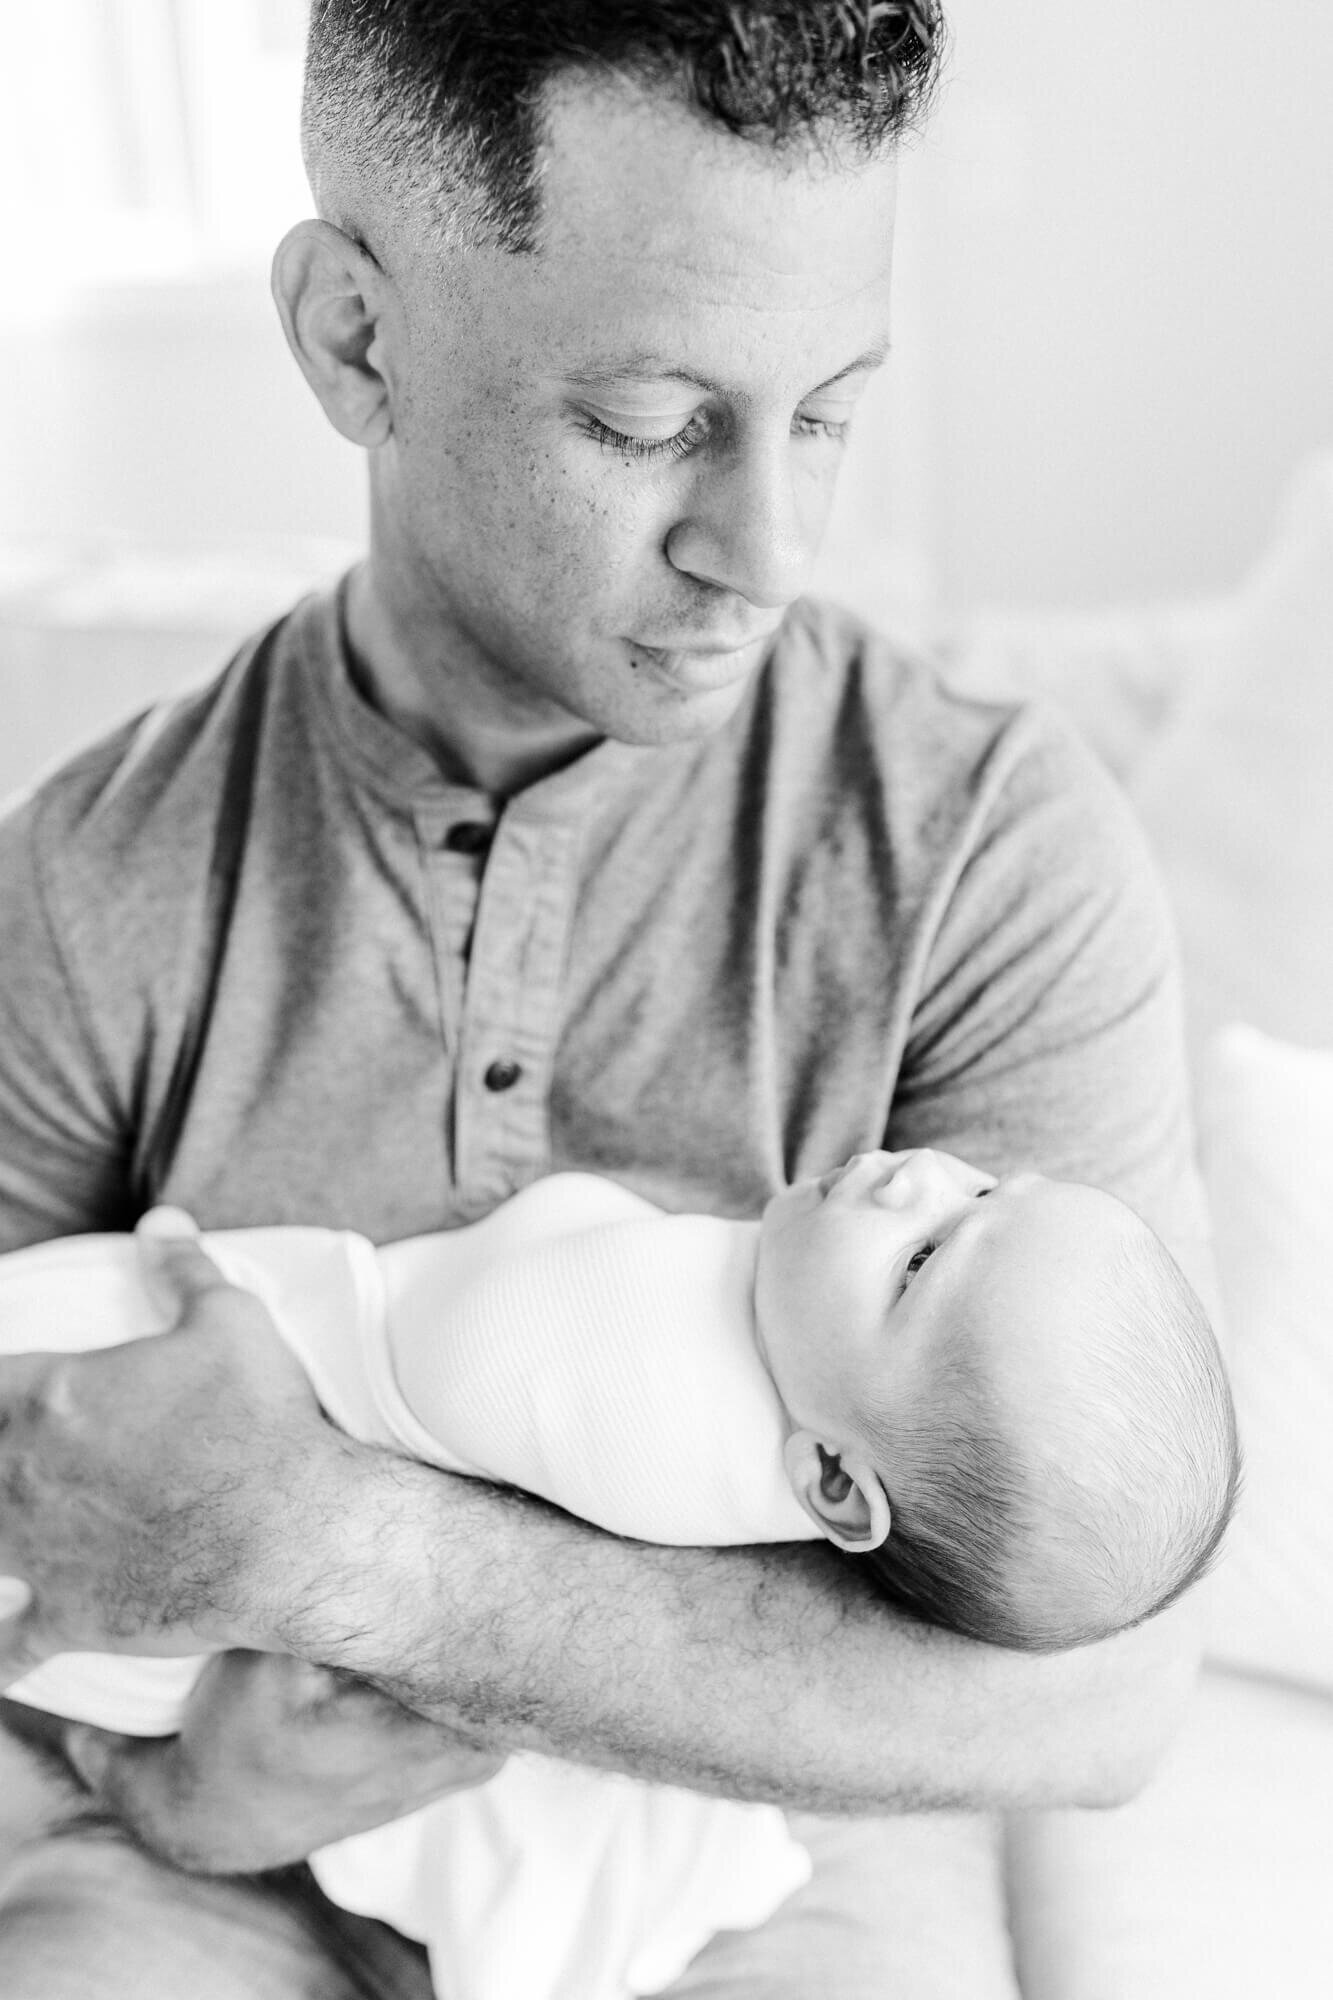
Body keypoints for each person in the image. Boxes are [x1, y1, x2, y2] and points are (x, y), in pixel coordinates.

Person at [0, 4, 1219, 1996]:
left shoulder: (987, 846)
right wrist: (173, 1811)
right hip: (191, 1868)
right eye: (656, 423)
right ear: (354, 342)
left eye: (826, 409)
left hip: (753, 1868)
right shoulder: (85, 894)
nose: (773, 546)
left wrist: (334, 1548)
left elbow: (1102, 1695)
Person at [1, 1147, 1236, 2000]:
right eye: (974, 1183)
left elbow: (1102, 1709)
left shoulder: (1011, 867)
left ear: (836, 1484)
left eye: (918, 1263)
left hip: (753, 1813)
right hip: (172, 1662)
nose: (919, 1173)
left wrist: (299, 1529)